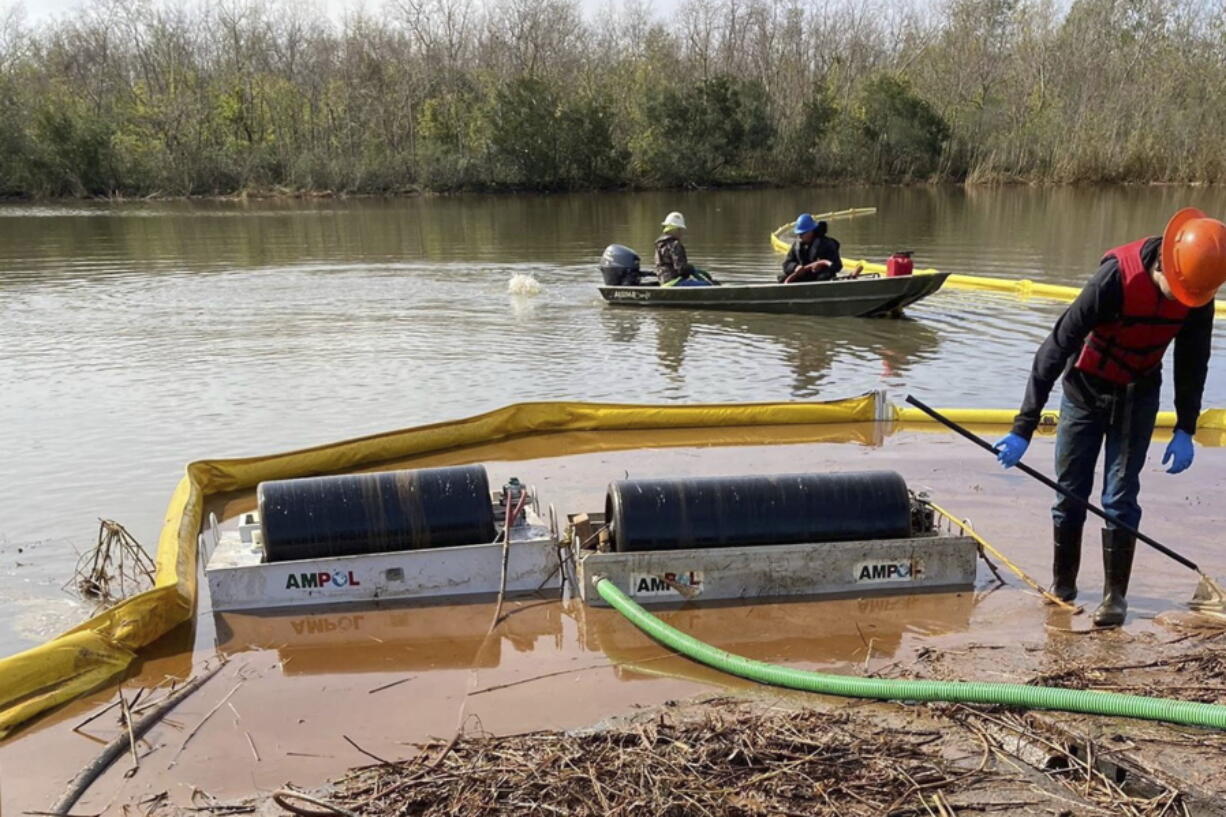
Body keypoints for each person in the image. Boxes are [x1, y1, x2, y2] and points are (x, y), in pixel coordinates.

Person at [993, 208, 1226, 627]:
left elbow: (1193, 362)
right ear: (1164, 265)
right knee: (1070, 493)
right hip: (1085, 389)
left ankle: (1114, 599)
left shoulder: (1198, 293)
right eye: (1176, 290)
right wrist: (1022, 427)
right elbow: (1056, 345)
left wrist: (1186, 428)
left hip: (1138, 393)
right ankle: (1063, 586)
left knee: (1120, 497)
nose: (1180, 300)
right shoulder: (1114, 279)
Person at [655, 211, 716, 287]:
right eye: (680, 230)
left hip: (664, 283)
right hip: (675, 283)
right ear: (674, 230)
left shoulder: (660, 245)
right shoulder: (675, 244)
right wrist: (692, 269)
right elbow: (681, 269)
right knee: (708, 285)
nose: (681, 233)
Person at [780, 213, 843, 283]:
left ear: (811, 231)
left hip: (819, 278)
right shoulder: (796, 246)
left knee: (824, 277)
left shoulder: (826, 244)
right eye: (798, 234)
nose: (800, 236)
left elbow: (837, 266)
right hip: (803, 277)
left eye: (802, 233)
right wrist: (795, 267)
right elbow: (786, 264)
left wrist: (821, 267)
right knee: (781, 278)